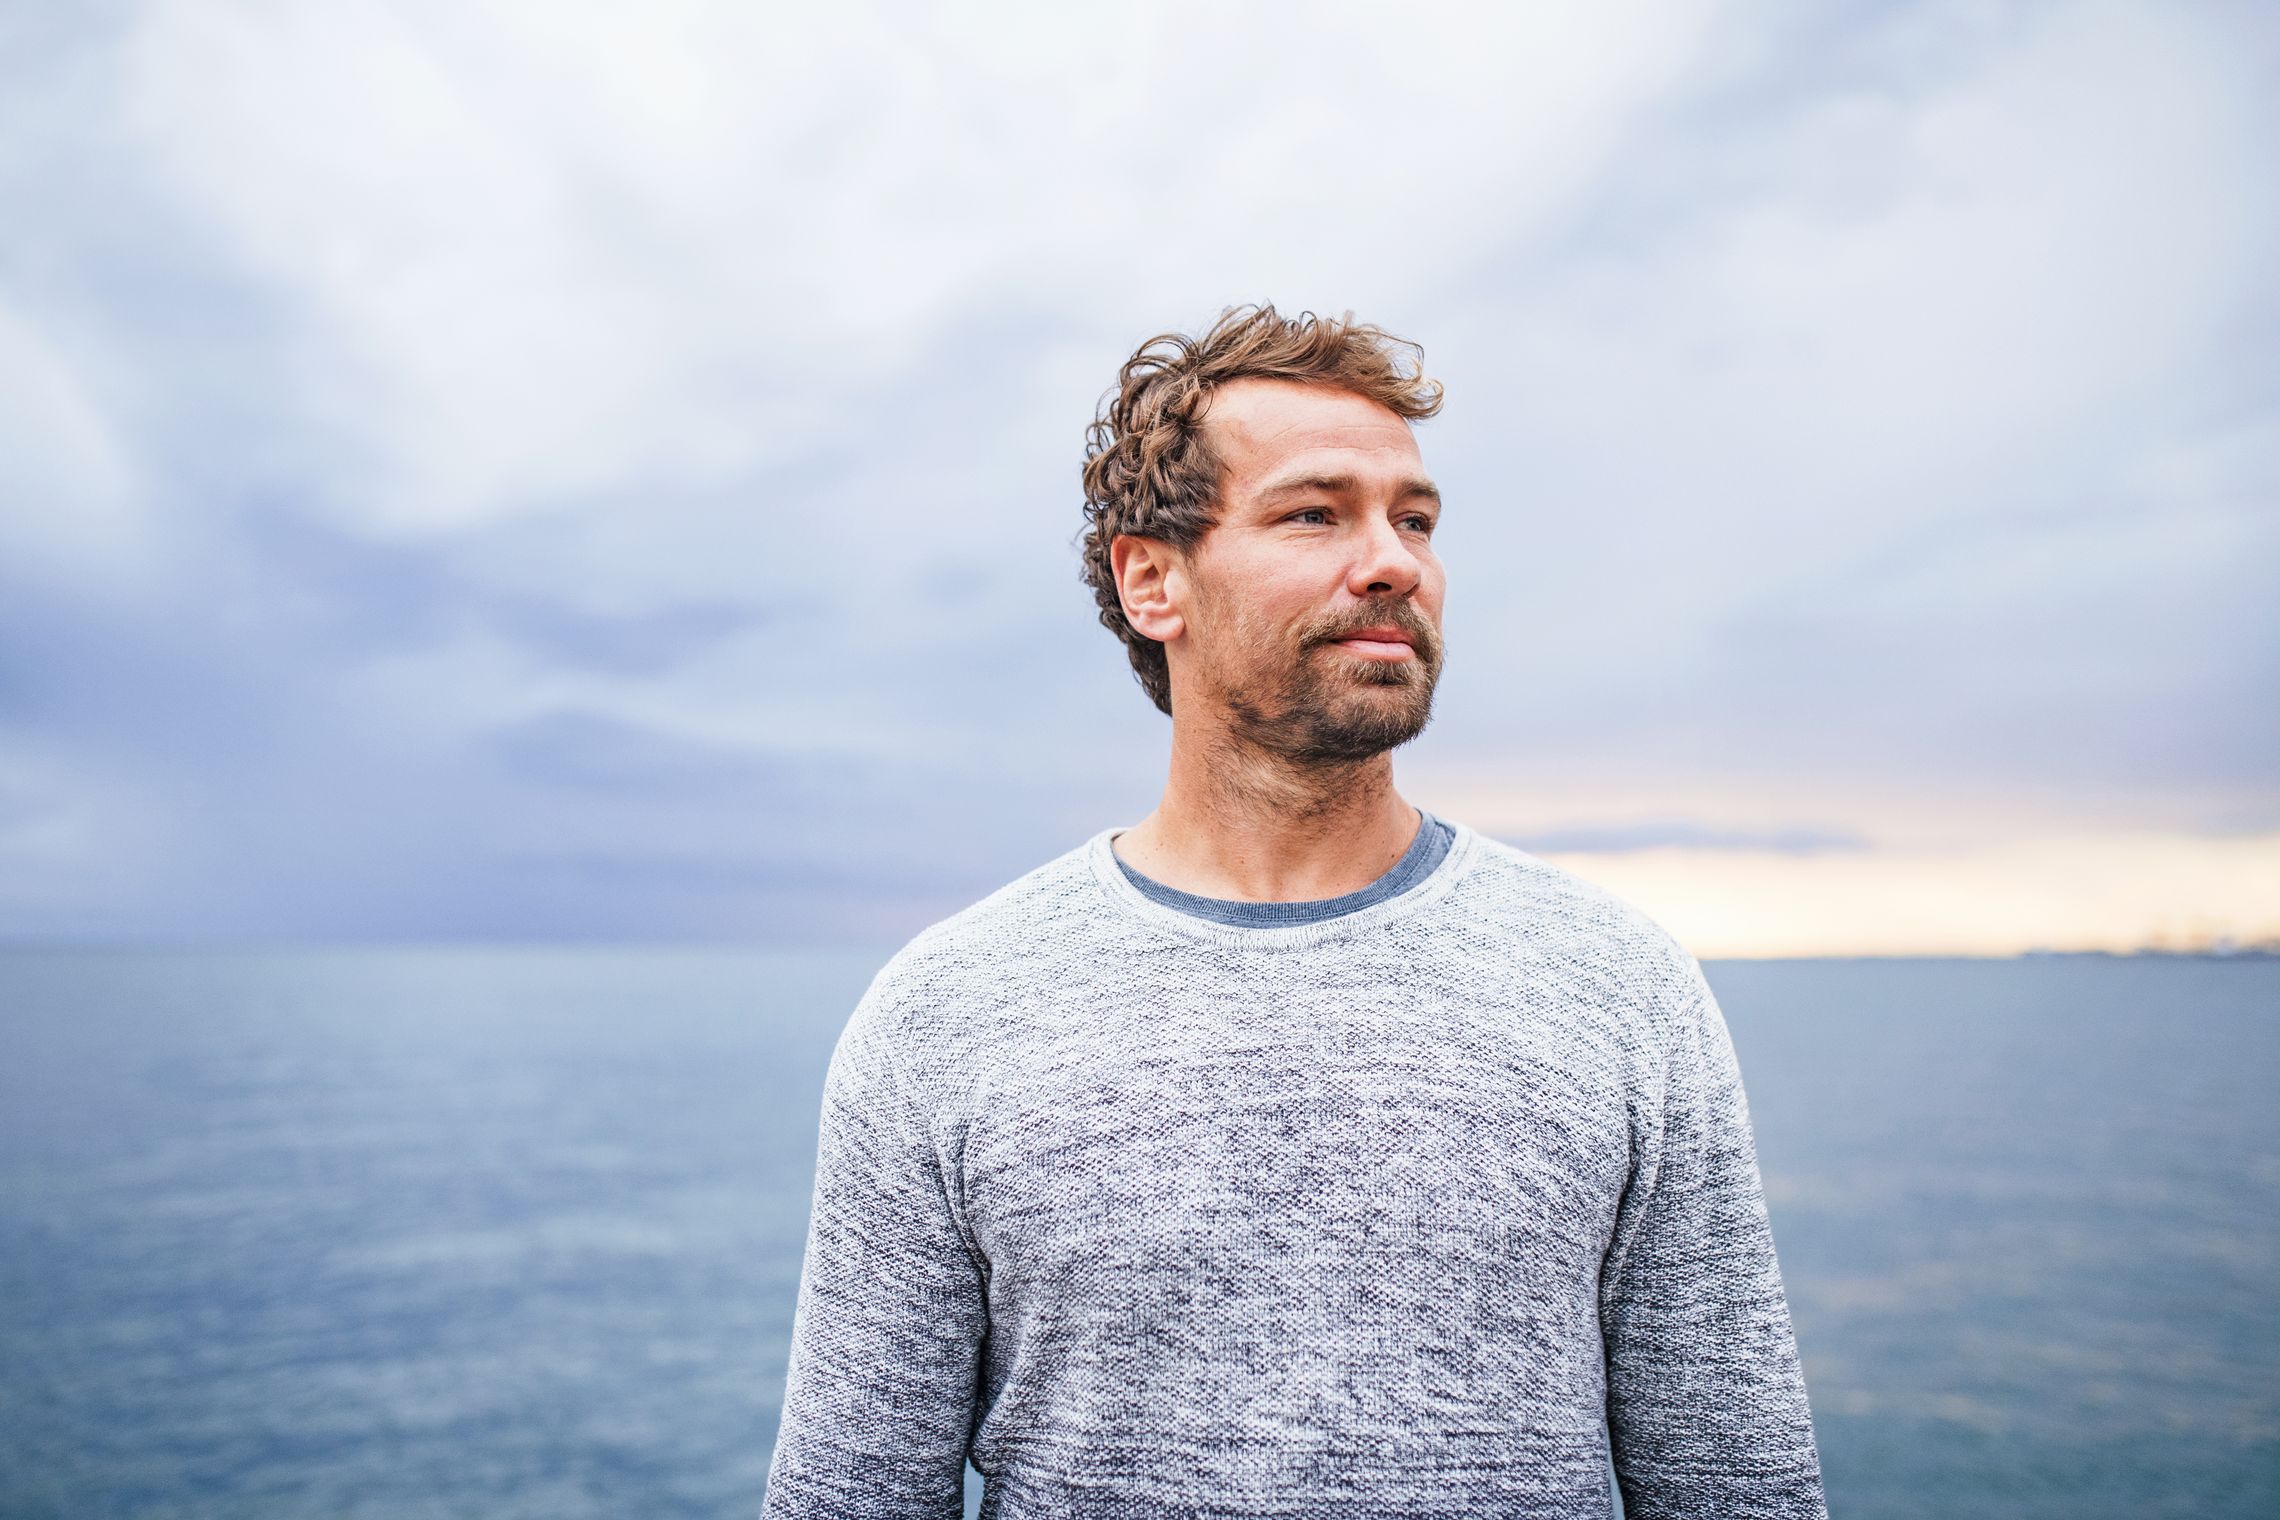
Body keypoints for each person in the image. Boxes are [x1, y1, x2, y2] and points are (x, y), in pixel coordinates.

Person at [760, 305, 1827, 1519]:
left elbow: (1738, 1484)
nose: (1393, 560)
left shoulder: (1619, 982)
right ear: (1151, 577)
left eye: (1413, 518)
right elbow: (851, 1497)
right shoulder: (946, 1013)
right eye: (1316, 511)